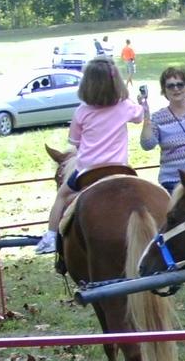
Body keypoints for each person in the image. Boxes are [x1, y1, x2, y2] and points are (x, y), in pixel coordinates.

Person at [35, 58, 147, 254]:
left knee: (62, 196)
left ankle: (51, 236)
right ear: (117, 83)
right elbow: (140, 117)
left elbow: (76, 143)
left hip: (87, 171)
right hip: (119, 169)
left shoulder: (81, 112)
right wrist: (142, 103)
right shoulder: (125, 106)